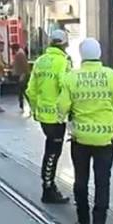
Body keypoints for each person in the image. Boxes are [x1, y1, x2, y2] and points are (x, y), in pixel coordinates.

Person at [57, 38, 113, 224]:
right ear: (100, 53)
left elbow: (62, 107)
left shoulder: (71, 77)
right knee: (103, 182)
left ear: (81, 55)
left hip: (81, 138)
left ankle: (83, 220)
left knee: (81, 179)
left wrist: (67, 121)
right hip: (105, 139)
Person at [25, 29, 72, 204]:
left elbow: (30, 90)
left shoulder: (40, 61)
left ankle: (49, 186)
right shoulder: (63, 62)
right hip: (56, 117)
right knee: (53, 152)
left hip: (44, 117)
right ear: (65, 44)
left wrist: (36, 110)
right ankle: (48, 188)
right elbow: (65, 89)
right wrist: (65, 112)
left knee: (49, 150)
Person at [11, 43, 30, 112]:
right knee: (22, 91)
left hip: (22, 76)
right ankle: (22, 105)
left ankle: (24, 105)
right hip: (22, 75)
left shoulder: (20, 54)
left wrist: (23, 75)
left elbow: (24, 66)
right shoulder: (20, 53)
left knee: (23, 91)